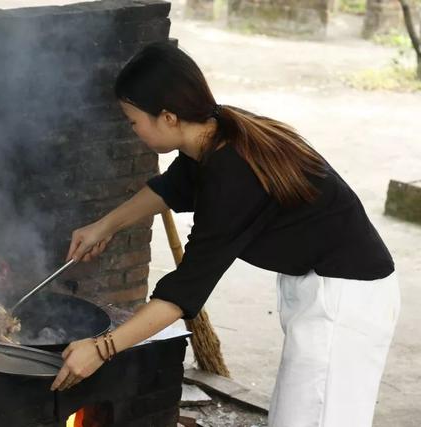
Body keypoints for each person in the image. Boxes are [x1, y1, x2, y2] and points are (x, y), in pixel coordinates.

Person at [51, 42, 400, 427]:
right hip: (320, 286)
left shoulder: (232, 175)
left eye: (133, 121)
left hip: (345, 301)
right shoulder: (214, 131)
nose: (133, 131)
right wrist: (105, 226)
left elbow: (184, 291)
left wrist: (102, 349)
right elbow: (172, 187)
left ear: (167, 117)